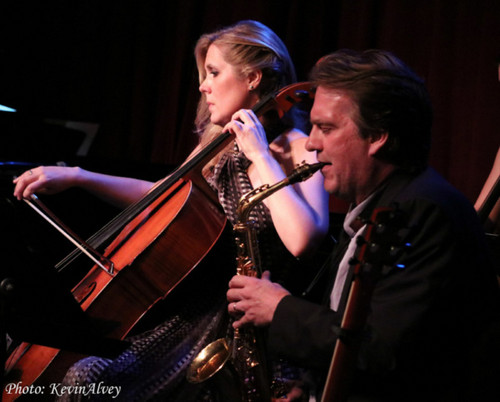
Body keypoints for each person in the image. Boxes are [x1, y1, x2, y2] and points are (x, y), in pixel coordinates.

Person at [11, 20, 329, 401]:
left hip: (257, 326)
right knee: (85, 373)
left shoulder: (298, 146)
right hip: (192, 314)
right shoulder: (216, 144)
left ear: (253, 78)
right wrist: (79, 176)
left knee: (86, 383)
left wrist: (260, 154)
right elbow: (165, 195)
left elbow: (304, 239)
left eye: (213, 73)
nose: (202, 86)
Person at [226, 49, 500, 401]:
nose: (310, 143)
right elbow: (349, 323)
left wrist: (279, 309)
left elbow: (381, 349)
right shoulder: (378, 206)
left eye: (325, 128)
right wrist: (310, 388)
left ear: (378, 135)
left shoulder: (423, 210)